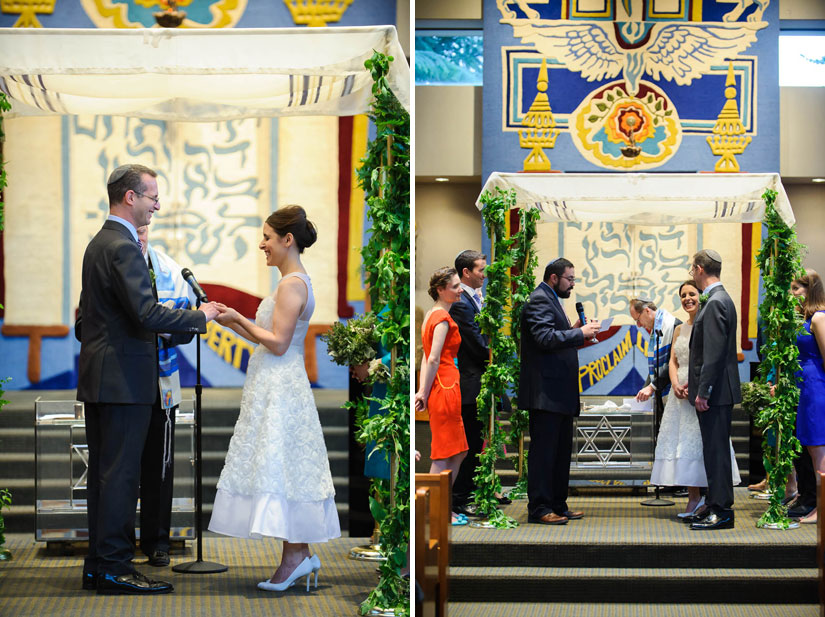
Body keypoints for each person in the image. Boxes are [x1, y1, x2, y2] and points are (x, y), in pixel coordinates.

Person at [76, 163, 218, 594]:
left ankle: (99, 565)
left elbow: (90, 319)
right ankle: (115, 569)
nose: (158, 204)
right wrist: (199, 316)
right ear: (130, 197)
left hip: (104, 378)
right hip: (124, 380)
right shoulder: (123, 248)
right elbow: (146, 313)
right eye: (152, 195)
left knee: (106, 475)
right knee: (120, 477)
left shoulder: (99, 242)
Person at [208, 205, 340, 591]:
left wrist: (236, 319)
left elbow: (279, 344)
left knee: (282, 466)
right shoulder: (293, 281)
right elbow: (274, 338)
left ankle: (295, 558)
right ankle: (298, 555)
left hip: (281, 383)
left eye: (267, 236)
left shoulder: (292, 284)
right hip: (277, 381)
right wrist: (237, 322)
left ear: (287, 240)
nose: (262, 244)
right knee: (286, 467)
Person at [135, 225, 198, 567]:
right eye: (135, 230)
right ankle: (118, 542)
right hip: (125, 385)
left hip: (162, 382)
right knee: (125, 469)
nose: (139, 236)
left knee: (160, 465)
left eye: (143, 231)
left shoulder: (170, 270)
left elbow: (187, 329)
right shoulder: (111, 265)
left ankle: (157, 542)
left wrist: (169, 328)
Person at [650, 281, 740, 517]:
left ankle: (712, 499)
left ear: (700, 296)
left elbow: (712, 358)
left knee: (704, 445)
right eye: (683, 295)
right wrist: (676, 384)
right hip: (680, 393)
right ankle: (693, 498)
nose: (687, 298)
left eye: (691, 294)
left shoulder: (708, 320)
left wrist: (699, 386)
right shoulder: (679, 329)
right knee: (683, 445)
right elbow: (672, 361)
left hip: (701, 391)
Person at [520, 258, 600, 525]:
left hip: (559, 392)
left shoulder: (552, 298)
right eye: (570, 279)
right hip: (546, 392)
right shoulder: (540, 299)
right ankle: (540, 508)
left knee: (560, 452)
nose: (573, 285)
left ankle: (557, 503)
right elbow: (543, 338)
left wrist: (576, 330)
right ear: (554, 278)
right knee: (544, 454)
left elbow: (555, 336)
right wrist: (580, 334)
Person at [686, 249, 741, 530]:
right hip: (715, 390)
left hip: (716, 393)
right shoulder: (718, 299)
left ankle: (722, 511)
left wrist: (703, 391)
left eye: (690, 269)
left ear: (699, 269)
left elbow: (715, 354)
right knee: (712, 450)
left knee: (717, 452)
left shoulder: (716, 301)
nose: (690, 274)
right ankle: (713, 504)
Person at [414, 267, 469, 525]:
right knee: (443, 452)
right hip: (445, 385)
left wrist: (423, 389)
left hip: (444, 384)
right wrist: (423, 390)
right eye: (455, 286)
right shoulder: (442, 320)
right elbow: (432, 357)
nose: (460, 290)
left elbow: (427, 357)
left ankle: (438, 506)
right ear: (441, 290)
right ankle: (434, 510)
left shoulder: (432, 315)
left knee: (458, 451)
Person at [449, 250, 489, 517]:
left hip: (477, 381)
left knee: (477, 444)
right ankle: (459, 499)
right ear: (466, 273)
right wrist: (495, 355)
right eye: (480, 270)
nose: (484, 275)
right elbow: (475, 343)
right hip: (469, 382)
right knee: (470, 443)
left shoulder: (475, 299)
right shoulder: (463, 303)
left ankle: (469, 494)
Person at [789, 269, 825, 524]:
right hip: (804, 386)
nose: (792, 294)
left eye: (796, 289)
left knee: (819, 450)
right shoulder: (806, 318)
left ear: (809, 289)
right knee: (812, 449)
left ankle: (821, 510)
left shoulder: (819, 319)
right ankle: (817, 506)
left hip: (815, 387)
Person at [629, 298, 681, 417]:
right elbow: (656, 367)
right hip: (660, 391)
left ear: (647, 311)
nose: (639, 325)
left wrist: (652, 387)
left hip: (674, 393)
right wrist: (644, 390)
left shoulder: (673, 325)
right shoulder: (656, 330)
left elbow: (673, 364)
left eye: (637, 320)